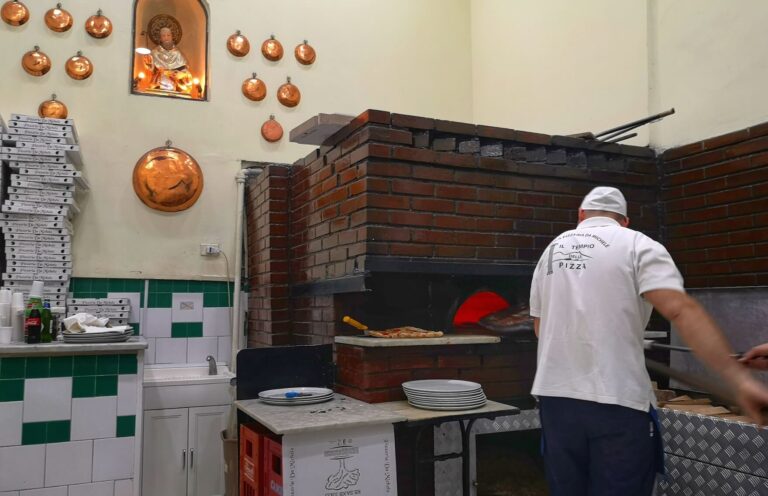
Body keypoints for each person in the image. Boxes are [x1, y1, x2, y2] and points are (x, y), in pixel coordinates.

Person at [529, 186, 768, 496]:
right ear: (625, 220)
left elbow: (540, 328)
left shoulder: (551, 250)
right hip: (618, 402)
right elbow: (681, 310)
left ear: (581, 215)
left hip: (556, 402)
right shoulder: (638, 244)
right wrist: (740, 381)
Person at [146, 27, 192, 93]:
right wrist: (149, 64)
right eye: (163, 36)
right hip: (159, 82)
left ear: (172, 37)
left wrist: (181, 74)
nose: (166, 38)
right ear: (160, 38)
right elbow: (152, 69)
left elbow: (185, 70)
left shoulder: (177, 53)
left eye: (168, 35)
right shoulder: (155, 52)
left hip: (175, 83)